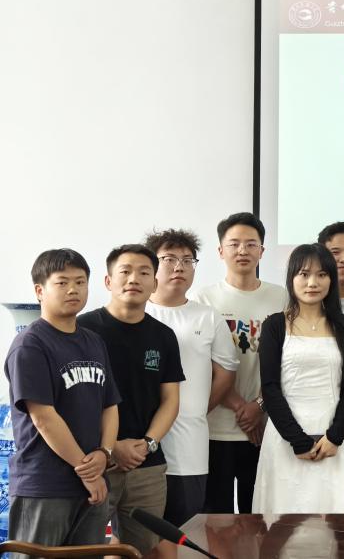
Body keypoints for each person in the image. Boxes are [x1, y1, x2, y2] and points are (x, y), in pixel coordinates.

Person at [5, 249, 120, 555]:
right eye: (62, 282)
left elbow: (110, 406)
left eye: (80, 282)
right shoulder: (30, 344)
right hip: (45, 486)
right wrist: (88, 470)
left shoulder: (94, 341)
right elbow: (44, 418)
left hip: (93, 483)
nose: (73, 289)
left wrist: (105, 453)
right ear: (40, 291)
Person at [78, 244, 184, 556]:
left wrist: (148, 444)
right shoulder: (82, 330)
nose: (133, 279)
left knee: (144, 549)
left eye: (144, 272)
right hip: (93, 461)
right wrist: (111, 448)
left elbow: (170, 400)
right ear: (108, 281)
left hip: (145, 463)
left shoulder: (163, 336)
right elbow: (71, 403)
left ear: (155, 283)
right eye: (125, 271)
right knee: (84, 547)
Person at [143, 228, 238, 548]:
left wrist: (197, 409)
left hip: (190, 444)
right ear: (152, 265)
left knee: (186, 533)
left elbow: (226, 373)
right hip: (138, 446)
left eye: (187, 260)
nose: (179, 267)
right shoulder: (137, 312)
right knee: (140, 535)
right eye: (169, 259)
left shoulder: (207, 317)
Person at [252, 244, 344, 513]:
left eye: (322, 275)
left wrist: (335, 436)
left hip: (332, 440)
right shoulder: (275, 325)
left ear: (331, 280)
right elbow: (270, 387)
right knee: (282, 524)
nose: (312, 283)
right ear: (291, 278)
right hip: (285, 439)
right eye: (304, 274)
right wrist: (297, 440)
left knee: (333, 522)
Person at [192, 211, 288, 514]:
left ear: (262, 250)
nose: (242, 250)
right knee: (215, 518)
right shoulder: (204, 298)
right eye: (234, 244)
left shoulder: (281, 298)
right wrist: (241, 407)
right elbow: (202, 363)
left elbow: (289, 361)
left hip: (265, 427)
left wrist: (259, 406)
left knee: (258, 516)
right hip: (216, 427)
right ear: (221, 251)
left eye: (251, 244)